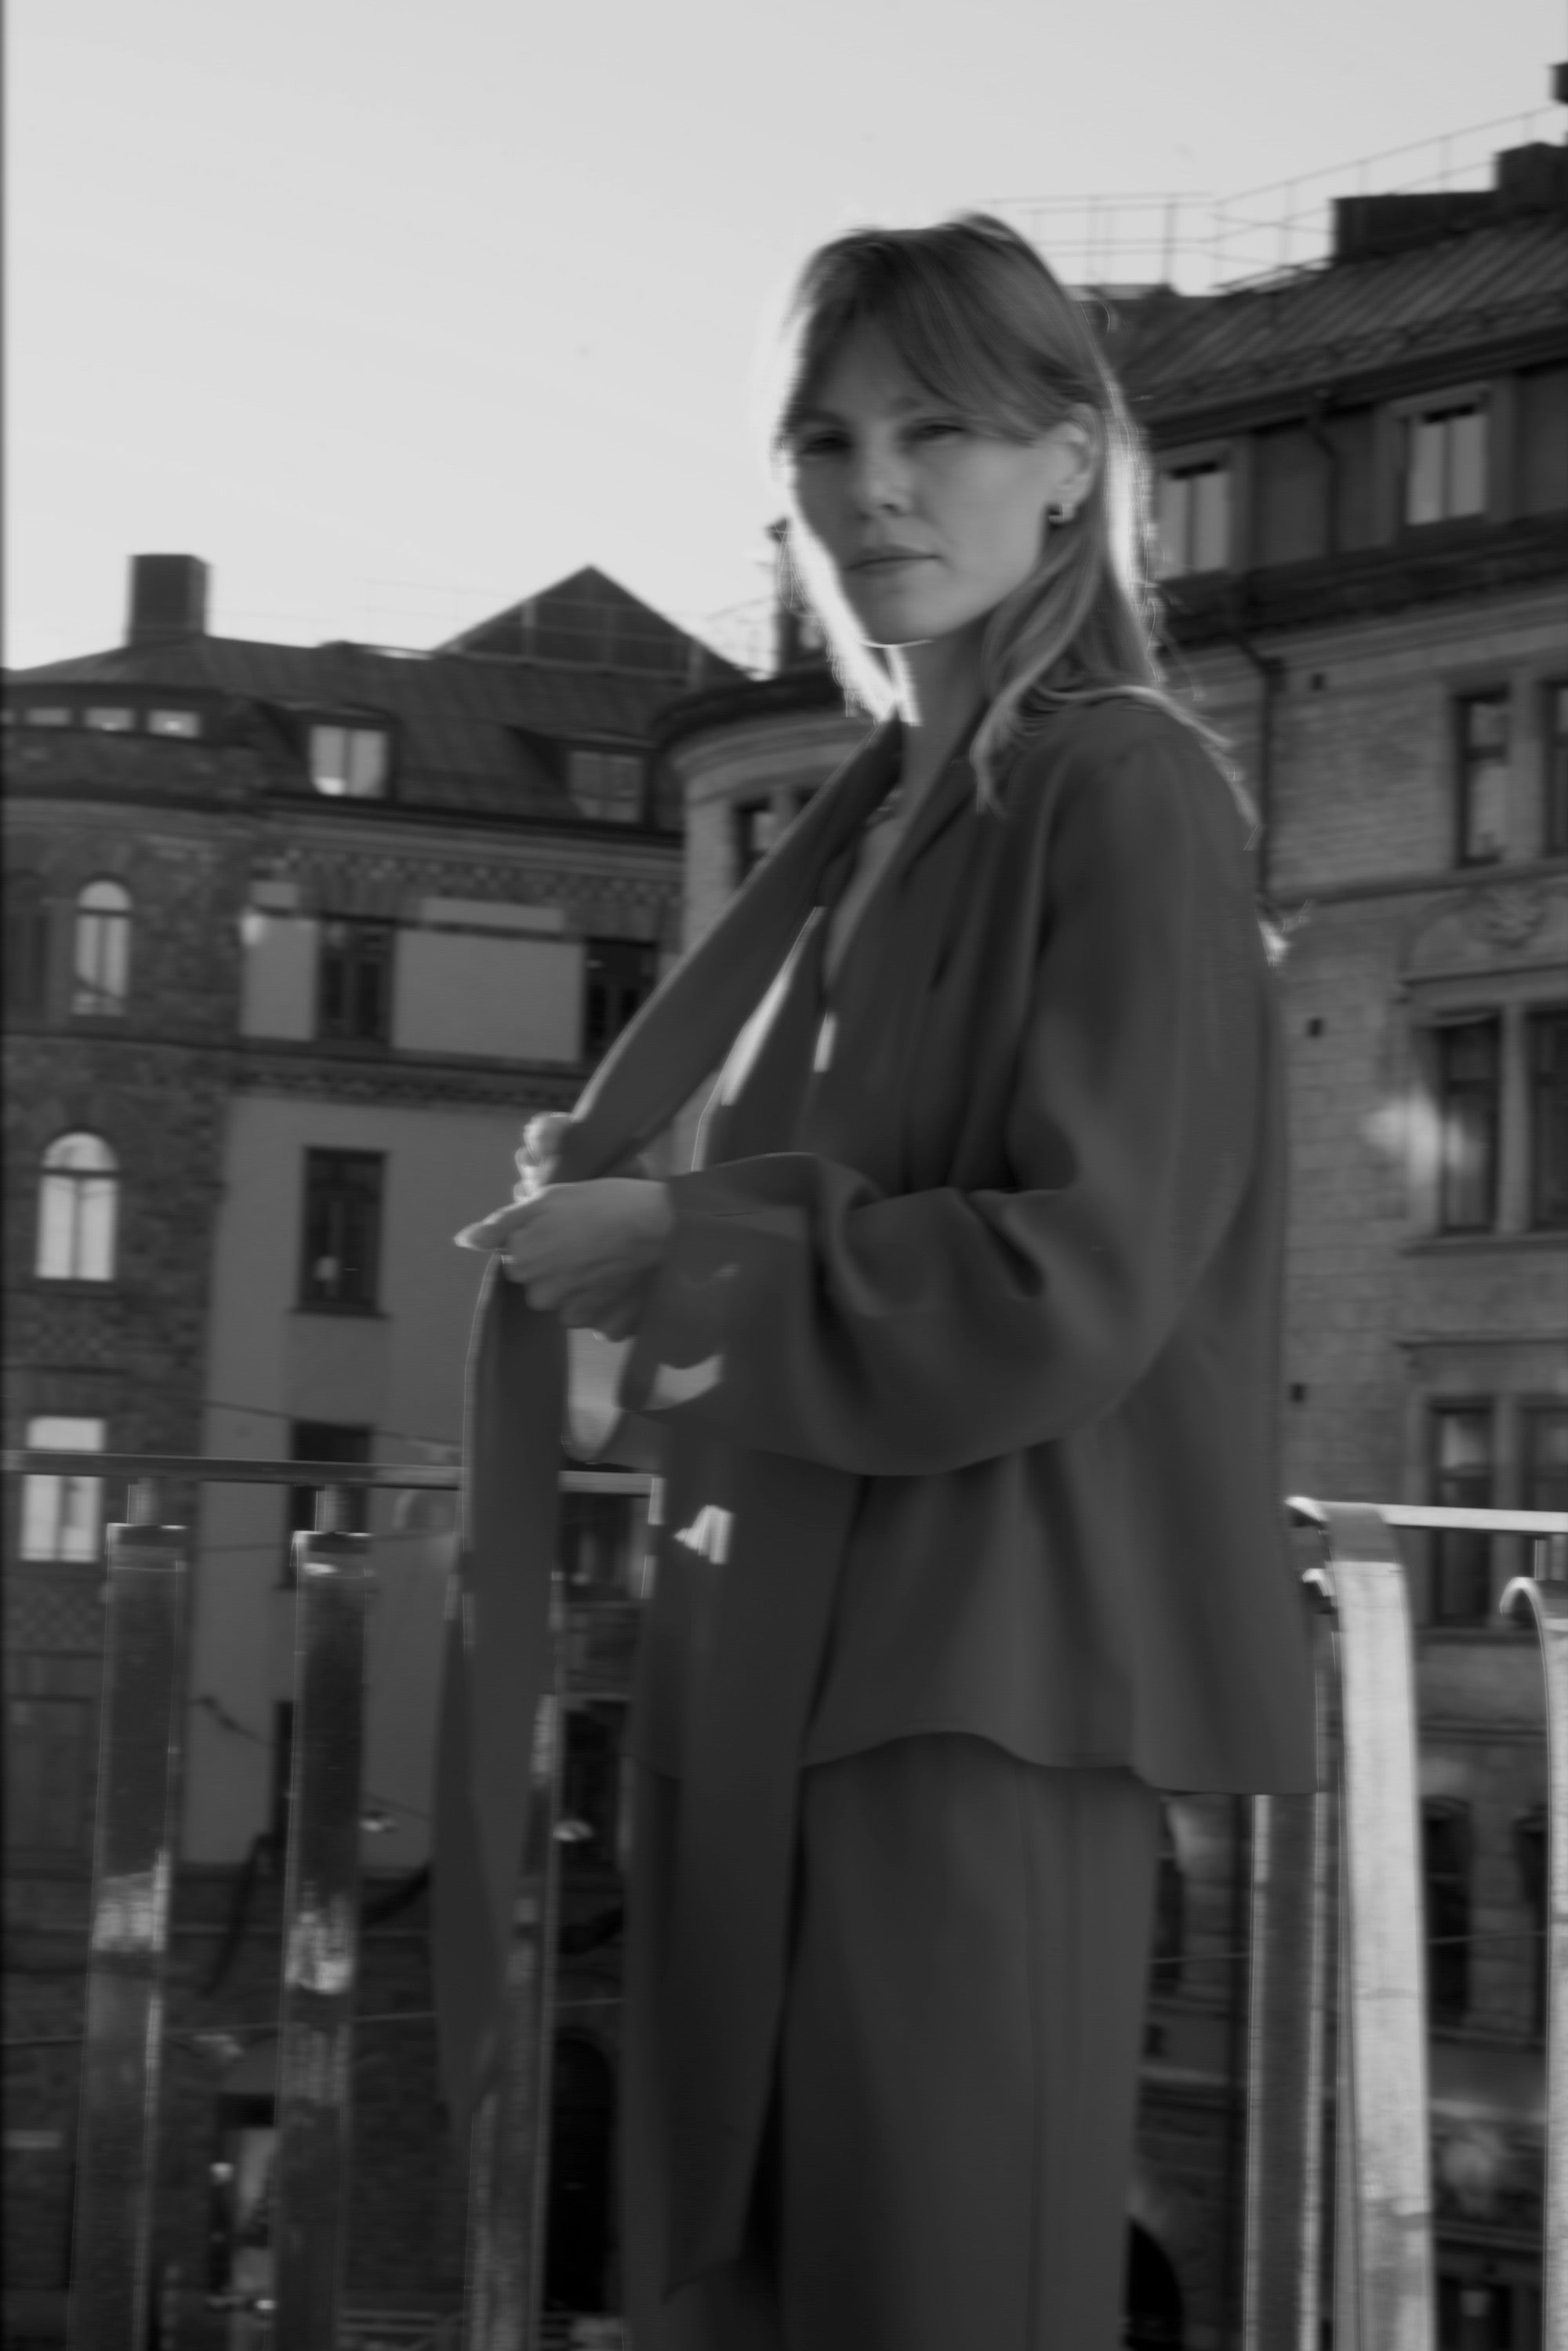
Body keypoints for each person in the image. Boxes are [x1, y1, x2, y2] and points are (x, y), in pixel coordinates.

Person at [456, 215, 1316, 2351]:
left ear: (1073, 463)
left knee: (939, 2284)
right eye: (826, 442)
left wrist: (679, 1242)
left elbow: (1084, 1269)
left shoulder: (1123, 788)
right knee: (755, 2282)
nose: (877, 491)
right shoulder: (871, 820)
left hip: (972, 1681)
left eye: (939, 431)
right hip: (776, 1653)